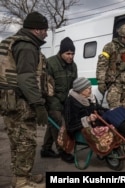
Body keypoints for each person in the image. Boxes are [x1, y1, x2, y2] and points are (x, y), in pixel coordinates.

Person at [0, 12, 50, 188]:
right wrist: (38, 105)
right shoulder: (27, 46)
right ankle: (22, 182)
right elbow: (26, 79)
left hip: (9, 100)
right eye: (45, 30)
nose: (46, 33)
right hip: (22, 102)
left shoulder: (12, 41)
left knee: (17, 141)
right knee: (26, 142)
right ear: (36, 29)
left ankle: (21, 176)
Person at [40, 37, 78, 163]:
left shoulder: (73, 66)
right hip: (51, 99)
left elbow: (74, 85)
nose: (70, 56)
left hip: (65, 100)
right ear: (61, 52)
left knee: (52, 125)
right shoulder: (50, 63)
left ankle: (45, 149)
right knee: (59, 125)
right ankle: (63, 151)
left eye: (72, 53)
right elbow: (46, 87)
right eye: (68, 53)